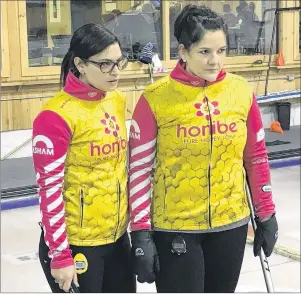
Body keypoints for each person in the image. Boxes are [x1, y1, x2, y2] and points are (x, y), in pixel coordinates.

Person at [128, 5, 278, 293]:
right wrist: (141, 233)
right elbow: (138, 170)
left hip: (230, 224)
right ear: (183, 51)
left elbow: (255, 157)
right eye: (205, 52)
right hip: (176, 227)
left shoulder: (240, 92)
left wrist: (266, 214)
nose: (215, 61)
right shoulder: (156, 99)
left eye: (221, 51)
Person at [32, 23, 136, 293]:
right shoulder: (55, 116)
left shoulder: (116, 100)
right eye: (105, 65)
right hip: (76, 244)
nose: (115, 72)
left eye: (118, 62)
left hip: (116, 238)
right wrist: (59, 253)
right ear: (80, 63)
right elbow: (49, 189)